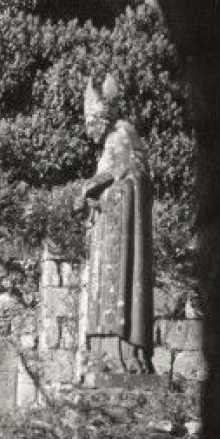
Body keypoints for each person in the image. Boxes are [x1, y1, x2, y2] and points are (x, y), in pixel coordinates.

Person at [76, 74, 155, 375]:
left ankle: (122, 356)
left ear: (102, 117)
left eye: (90, 122)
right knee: (101, 289)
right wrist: (94, 192)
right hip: (107, 231)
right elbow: (112, 174)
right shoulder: (110, 140)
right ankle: (102, 354)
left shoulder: (123, 134)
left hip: (121, 234)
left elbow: (134, 174)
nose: (88, 129)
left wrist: (96, 187)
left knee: (117, 287)